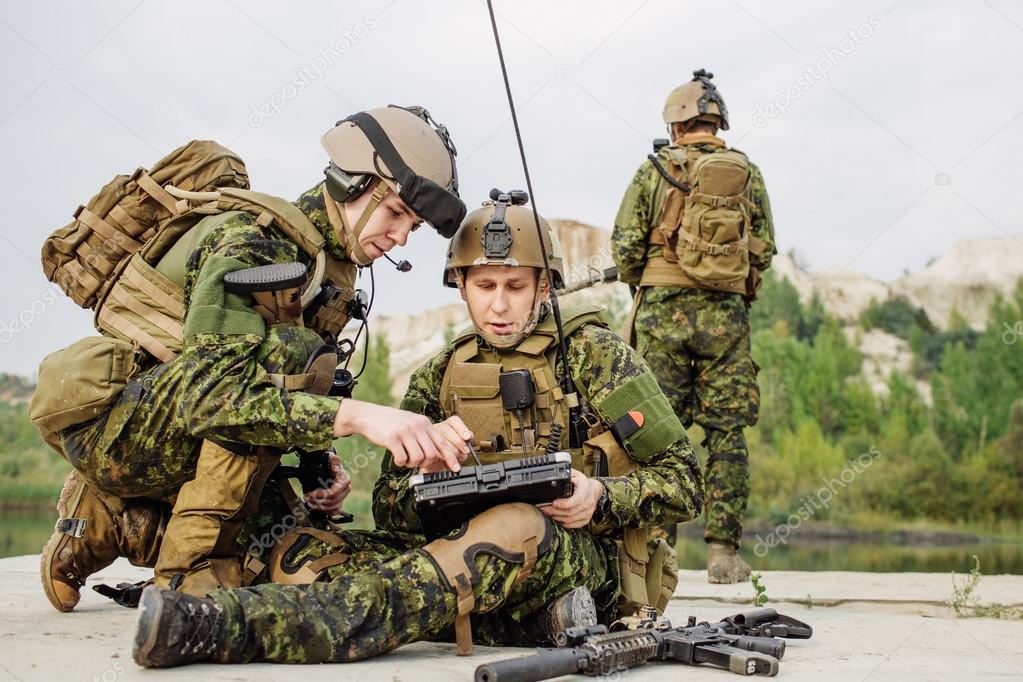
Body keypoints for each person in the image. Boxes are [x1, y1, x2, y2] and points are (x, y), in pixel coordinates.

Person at [129, 191, 704, 668]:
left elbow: (686, 479)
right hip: (455, 550)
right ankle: (514, 625)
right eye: (484, 286)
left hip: (583, 559)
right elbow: (391, 512)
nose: (499, 306)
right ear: (461, 286)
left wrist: (600, 498)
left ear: (544, 287)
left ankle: (227, 628)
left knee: (515, 524)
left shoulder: (595, 354)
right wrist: (423, 474)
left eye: (515, 286)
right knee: (298, 552)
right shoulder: (441, 373)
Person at [40, 105, 471, 610]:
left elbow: (296, 392)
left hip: (182, 428)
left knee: (289, 553)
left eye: (412, 226)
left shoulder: (327, 268)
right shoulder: (254, 243)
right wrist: (363, 418)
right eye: (395, 212)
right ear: (352, 183)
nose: (399, 236)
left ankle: (106, 522)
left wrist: (319, 466)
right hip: (115, 429)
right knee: (287, 356)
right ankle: (185, 578)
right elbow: (215, 398)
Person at [611, 70, 777, 584]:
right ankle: (723, 554)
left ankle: (661, 549)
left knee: (663, 431)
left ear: (677, 125)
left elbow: (625, 247)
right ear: (717, 122)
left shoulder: (656, 169)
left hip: (662, 313)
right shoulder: (747, 173)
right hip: (725, 318)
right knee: (727, 432)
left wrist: (654, 281)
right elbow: (764, 248)